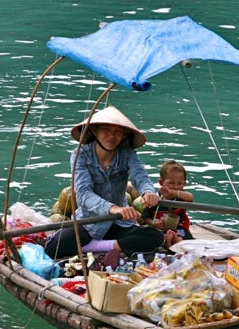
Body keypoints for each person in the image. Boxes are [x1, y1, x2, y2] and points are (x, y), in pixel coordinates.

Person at [44, 106, 165, 259]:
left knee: (155, 237)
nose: (111, 136)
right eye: (105, 130)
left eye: (117, 132)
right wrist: (113, 208)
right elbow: (84, 194)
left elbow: (140, 176)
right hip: (90, 221)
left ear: (124, 136)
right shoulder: (80, 155)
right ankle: (109, 246)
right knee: (53, 248)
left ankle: (102, 247)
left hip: (120, 222)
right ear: (95, 130)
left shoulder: (128, 154)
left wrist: (148, 192)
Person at [141, 160, 194, 247]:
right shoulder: (154, 199)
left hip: (178, 229)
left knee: (184, 236)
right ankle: (166, 241)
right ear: (161, 183)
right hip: (159, 229)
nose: (176, 187)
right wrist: (153, 223)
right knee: (151, 235)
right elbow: (144, 218)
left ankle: (176, 240)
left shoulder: (181, 197)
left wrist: (173, 192)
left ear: (184, 183)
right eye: (171, 183)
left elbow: (190, 197)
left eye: (180, 183)